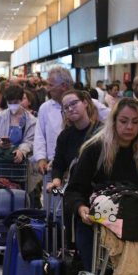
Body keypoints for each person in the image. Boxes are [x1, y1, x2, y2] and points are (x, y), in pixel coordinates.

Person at [64, 98, 138, 271]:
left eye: (135, 122)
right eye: (124, 121)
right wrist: (80, 208)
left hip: (133, 227)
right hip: (94, 228)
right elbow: (74, 190)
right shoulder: (94, 149)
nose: (129, 127)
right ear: (114, 121)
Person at [34, 67, 109, 212]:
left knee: (82, 209)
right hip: (56, 170)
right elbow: (39, 135)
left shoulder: (91, 103)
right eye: (66, 107)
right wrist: (41, 158)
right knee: (55, 210)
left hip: (89, 178)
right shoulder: (45, 108)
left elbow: (112, 118)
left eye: (50, 85)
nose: (47, 89)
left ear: (63, 85)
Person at [46, 90, 102, 195]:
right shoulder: (64, 136)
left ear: (85, 103)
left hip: (99, 189)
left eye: (74, 103)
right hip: (75, 190)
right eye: (66, 107)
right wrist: (56, 181)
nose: (70, 109)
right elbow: (58, 164)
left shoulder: (101, 132)